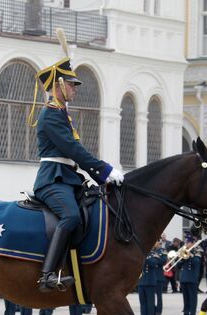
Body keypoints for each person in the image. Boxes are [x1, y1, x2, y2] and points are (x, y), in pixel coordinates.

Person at [31, 54, 123, 292]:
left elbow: (75, 153)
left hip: (68, 178)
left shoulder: (62, 114)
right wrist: (104, 170)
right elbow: (73, 149)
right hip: (53, 179)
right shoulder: (51, 114)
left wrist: (101, 177)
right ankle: (48, 275)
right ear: (59, 85)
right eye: (71, 84)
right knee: (71, 216)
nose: (75, 89)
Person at [138, 241, 165, 315]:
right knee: (142, 303)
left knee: (150, 302)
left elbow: (154, 263)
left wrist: (145, 257)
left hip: (150, 281)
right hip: (141, 281)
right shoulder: (141, 254)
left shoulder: (154, 254)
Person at [177, 235, 202, 315]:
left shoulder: (196, 252)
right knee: (186, 298)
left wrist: (190, 255)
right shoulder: (183, 252)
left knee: (192, 298)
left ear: (192, 243)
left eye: (188, 242)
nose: (186, 244)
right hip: (184, 278)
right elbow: (178, 266)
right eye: (186, 242)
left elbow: (197, 263)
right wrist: (182, 258)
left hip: (192, 278)